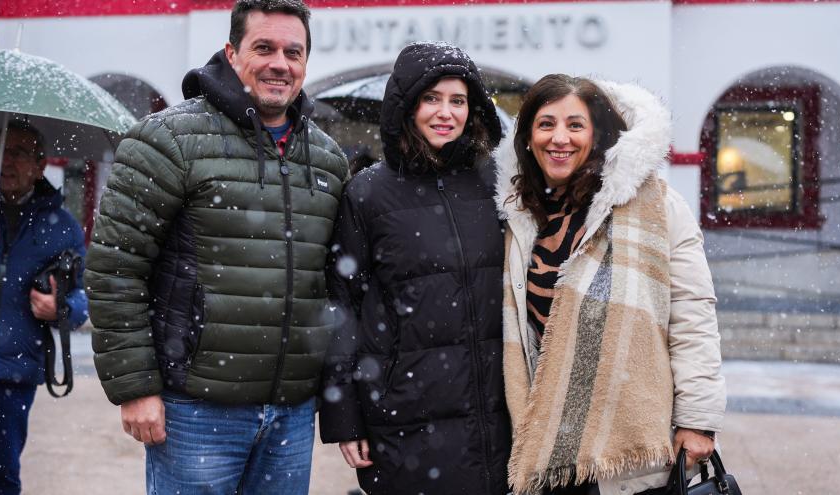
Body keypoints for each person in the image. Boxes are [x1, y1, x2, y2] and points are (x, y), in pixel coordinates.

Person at [84, 0, 348, 493]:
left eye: (293, 52)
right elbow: (116, 269)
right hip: (196, 411)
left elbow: (332, 284)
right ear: (231, 53)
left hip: (291, 416)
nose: (280, 63)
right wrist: (135, 388)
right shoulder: (168, 139)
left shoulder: (328, 158)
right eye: (263, 48)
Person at [494, 75, 726, 495]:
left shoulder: (657, 205)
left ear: (599, 134)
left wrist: (697, 420)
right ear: (527, 138)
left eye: (575, 125)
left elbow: (693, 316)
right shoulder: (518, 216)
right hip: (542, 443)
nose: (559, 138)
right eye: (545, 124)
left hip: (627, 446)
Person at [319, 42, 510, 495]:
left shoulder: (497, 183)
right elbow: (341, 306)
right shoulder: (367, 193)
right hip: (406, 415)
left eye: (458, 100)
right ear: (406, 105)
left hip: (497, 410)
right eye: (431, 98)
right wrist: (344, 417)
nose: (446, 112)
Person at [0, 119, 88, 494]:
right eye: (1, 150)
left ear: (40, 164)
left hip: (13, 373)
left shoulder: (63, 227)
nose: (7, 161)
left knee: (1, 474)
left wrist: (59, 308)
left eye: (18, 153)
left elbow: (82, 298)